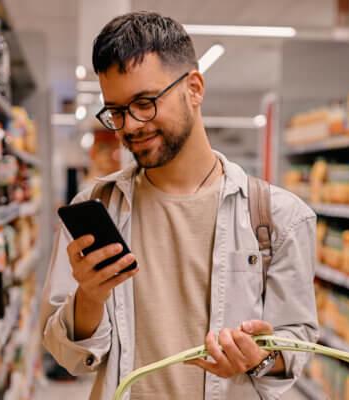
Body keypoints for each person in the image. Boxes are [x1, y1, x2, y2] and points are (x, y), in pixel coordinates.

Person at [40, 11, 318, 400]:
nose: (131, 125)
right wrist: (89, 296)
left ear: (195, 88)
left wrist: (259, 357)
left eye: (145, 102)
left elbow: (298, 344)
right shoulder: (95, 206)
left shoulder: (279, 217)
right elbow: (67, 355)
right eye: (116, 112)